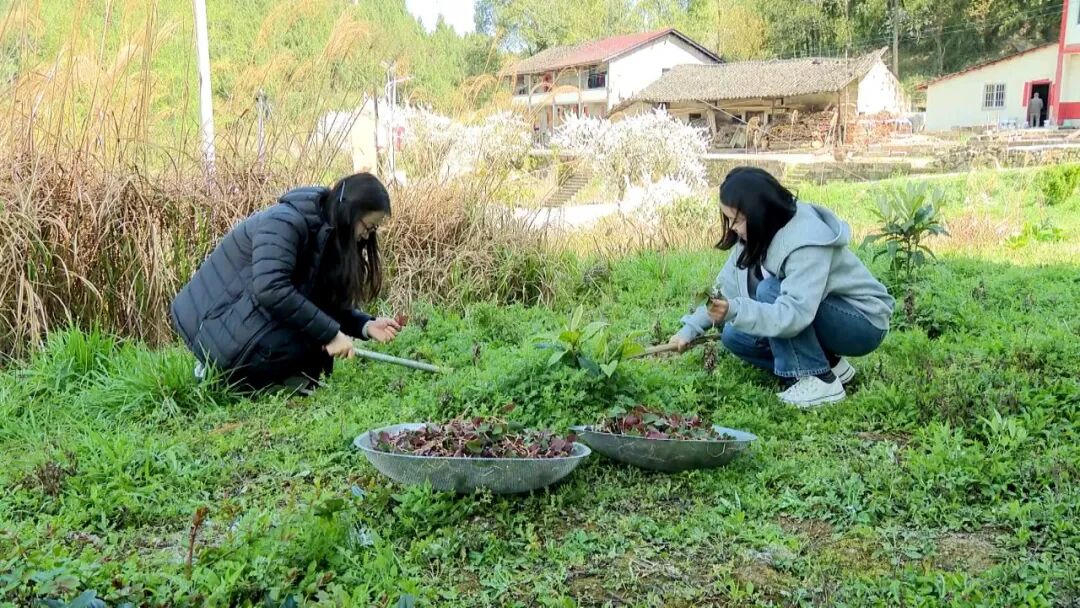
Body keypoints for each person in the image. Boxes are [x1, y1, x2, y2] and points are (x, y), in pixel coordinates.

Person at [669, 167, 894, 408]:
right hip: (819, 315)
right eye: (728, 219)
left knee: (769, 291)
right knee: (734, 336)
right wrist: (689, 330)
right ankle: (830, 364)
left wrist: (735, 310)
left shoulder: (805, 240)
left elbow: (793, 314)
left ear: (758, 213)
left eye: (737, 220)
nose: (732, 228)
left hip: (862, 323)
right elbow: (724, 292)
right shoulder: (755, 237)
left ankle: (820, 381)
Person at [171, 172, 401, 394]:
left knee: (311, 335)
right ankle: (217, 371)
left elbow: (318, 303)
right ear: (351, 211)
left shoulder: (328, 233)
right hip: (215, 324)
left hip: (246, 319)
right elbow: (271, 289)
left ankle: (269, 379)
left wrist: (365, 325)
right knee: (310, 337)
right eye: (368, 227)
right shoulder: (284, 222)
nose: (367, 236)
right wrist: (330, 333)